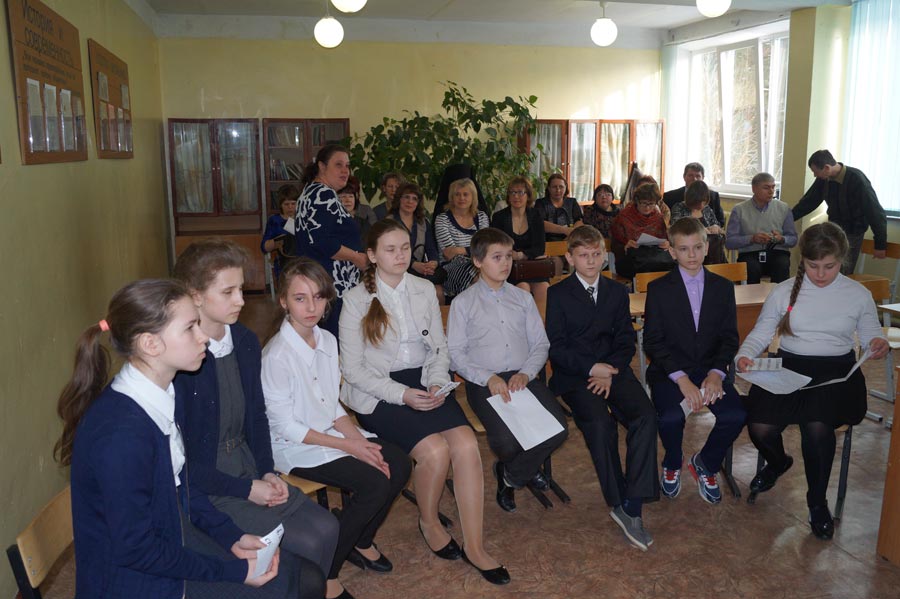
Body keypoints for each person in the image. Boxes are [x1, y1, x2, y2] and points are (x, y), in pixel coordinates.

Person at [57, 279, 308, 599]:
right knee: (279, 587)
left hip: (166, 538)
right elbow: (137, 550)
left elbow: (180, 487)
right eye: (190, 328)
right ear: (150, 344)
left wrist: (230, 535)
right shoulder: (121, 433)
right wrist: (232, 571)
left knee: (294, 574)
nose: (203, 337)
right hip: (135, 583)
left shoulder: (157, 395)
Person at [339, 220, 510, 585]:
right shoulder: (355, 301)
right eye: (390, 249)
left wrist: (435, 381)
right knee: (434, 451)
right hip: (379, 391)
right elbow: (352, 371)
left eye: (405, 248)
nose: (400, 255)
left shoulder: (424, 288)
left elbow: (439, 349)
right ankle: (429, 521)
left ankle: (475, 546)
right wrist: (401, 394)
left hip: (425, 380)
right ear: (372, 255)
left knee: (466, 444)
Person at [173, 240, 340, 597]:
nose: (241, 300)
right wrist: (247, 489)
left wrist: (266, 471)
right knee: (307, 547)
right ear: (195, 296)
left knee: (327, 528)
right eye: (228, 292)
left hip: (249, 467)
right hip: (209, 485)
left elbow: (256, 416)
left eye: (241, 289)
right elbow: (183, 466)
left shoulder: (245, 341)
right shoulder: (183, 360)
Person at [262, 257, 411, 599]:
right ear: (283, 301)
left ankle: (359, 538)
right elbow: (286, 426)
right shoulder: (276, 356)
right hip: (294, 445)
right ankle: (328, 570)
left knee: (399, 464)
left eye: (318, 297)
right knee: (374, 483)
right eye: (300, 298)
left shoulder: (327, 341)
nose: (311, 307)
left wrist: (361, 443)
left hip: (330, 434)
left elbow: (331, 407)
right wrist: (352, 447)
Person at [736, 222, 889, 540]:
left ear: (842, 260)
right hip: (790, 367)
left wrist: (877, 343)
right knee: (760, 425)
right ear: (802, 260)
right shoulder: (784, 291)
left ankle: (817, 502)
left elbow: (871, 334)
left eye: (829, 266)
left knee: (817, 426)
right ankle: (778, 463)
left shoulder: (857, 294)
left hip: (837, 373)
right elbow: (762, 331)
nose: (820, 274)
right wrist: (745, 355)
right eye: (813, 265)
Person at [545, 225, 659, 551]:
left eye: (596, 254)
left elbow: (625, 340)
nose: (591, 261)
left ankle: (633, 502)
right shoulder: (558, 294)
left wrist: (609, 370)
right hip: (576, 375)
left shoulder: (616, 292)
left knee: (645, 416)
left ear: (604, 256)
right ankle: (618, 498)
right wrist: (592, 368)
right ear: (570, 258)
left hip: (614, 370)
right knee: (600, 424)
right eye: (584, 255)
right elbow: (557, 347)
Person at [447, 227, 568, 513]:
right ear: (478, 261)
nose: (505, 263)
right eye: (497, 257)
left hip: (521, 376)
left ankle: (511, 475)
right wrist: (487, 377)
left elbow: (540, 344)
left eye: (508, 257)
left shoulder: (522, 298)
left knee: (558, 429)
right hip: (484, 381)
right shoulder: (463, 303)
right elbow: (455, 354)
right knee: (506, 441)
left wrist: (526, 372)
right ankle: (523, 467)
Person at [642, 218, 746, 504]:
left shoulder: (723, 287)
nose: (692, 255)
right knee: (671, 417)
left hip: (710, 370)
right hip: (670, 371)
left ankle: (706, 463)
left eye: (697, 247)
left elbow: (729, 338)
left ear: (707, 247)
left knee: (735, 415)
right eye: (684, 249)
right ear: (672, 251)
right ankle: (672, 461)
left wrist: (716, 373)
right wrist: (682, 379)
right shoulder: (659, 289)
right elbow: (653, 341)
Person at [293, 144, 368, 336]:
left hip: (320, 282)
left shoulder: (310, 192)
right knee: (334, 340)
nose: (345, 171)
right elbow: (324, 243)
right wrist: (356, 258)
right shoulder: (322, 194)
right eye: (338, 165)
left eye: (347, 166)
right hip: (332, 285)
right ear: (322, 166)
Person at [792, 149, 887, 273]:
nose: (815, 175)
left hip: (853, 232)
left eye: (815, 172)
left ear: (827, 168)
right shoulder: (824, 179)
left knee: (843, 271)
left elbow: (874, 211)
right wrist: (789, 218)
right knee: (825, 266)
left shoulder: (857, 179)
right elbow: (808, 202)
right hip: (833, 230)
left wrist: (880, 244)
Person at [725, 172, 798, 284]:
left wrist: (781, 239)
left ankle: (779, 295)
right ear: (754, 189)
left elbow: (793, 239)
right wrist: (751, 239)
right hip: (750, 254)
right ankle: (751, 295)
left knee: (782, 264)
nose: (771, 191)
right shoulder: (739, 210)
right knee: (751, 268)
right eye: (766, 188)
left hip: (776, 252)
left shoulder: (784, 208)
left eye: (773, 187)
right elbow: (730, 242)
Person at [490, 176, 549, 304]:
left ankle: (541, 318)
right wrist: (510, 254)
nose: (516, 196)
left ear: (528, 195)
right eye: (512, 192)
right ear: (508, 196)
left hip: (533, 266)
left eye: (521, 192)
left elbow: (540, 248)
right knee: (523, 288)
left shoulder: (536, 215)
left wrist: (521, 255)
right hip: (509, 267)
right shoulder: (499, 217)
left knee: (544, 288)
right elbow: (495, 246)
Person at [386, 182, 445, 303]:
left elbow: (431, 249)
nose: (410, 201)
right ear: (399, 199)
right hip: (397, 269)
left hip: (421, 270)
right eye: (406, 197)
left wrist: (432, 263)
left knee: (438, 291)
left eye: (414, 199)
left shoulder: (423, 222)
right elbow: (390, 252)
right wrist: (413, 264)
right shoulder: (389, 222)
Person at [434, 178, 491, 299]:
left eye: (466, 194)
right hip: (451, 268)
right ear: (452, 197)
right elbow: (449, 254)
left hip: (479, 264)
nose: (461, 198)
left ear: (473, 197)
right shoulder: (442, 219)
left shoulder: (481, 217)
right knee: (480, 278)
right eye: (457, 194)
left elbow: (485, 247)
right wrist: (473, 250)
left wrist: (460, 249)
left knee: (486, 274)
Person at [610, 183, 674, 279]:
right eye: (643, 203)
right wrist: (625, 246)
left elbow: (665, 238)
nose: (647, 207)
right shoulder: (624, 217)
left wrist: (667, 244)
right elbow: (614, 245)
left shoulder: (658, 217)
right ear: (636, 201)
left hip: (654, 259)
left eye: (651, 204)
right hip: (630, 260)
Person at [671, 180, 726, 264]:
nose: (701, 205)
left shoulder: (707, 209)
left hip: (710, 252)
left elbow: (722, 233)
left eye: (704, 201)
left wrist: (716, 228)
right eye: (698, 201)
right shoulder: (679, 208)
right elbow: (676, 230)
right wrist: (701, 231)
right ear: (691, 199)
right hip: (688, 250)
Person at [261, 184, 299, 281]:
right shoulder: (274, 220)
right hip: (284, 261)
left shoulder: (303, 218)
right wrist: (279, 241)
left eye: (293, 203)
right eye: (286, 204)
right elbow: (264, 247)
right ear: (280, 205)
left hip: (302, 259)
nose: (290, 207)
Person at [535, 173, 584, 241]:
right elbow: (540, 223)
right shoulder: (540, 203)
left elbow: (579, 221)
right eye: (554, 187)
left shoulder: (572, 202)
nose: (558, 190)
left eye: (561, 187)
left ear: (565, 187)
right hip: (547, 242)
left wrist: (571, 236)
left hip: (570, 240)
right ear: (549, 188)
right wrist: (565, 230)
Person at [338, 182, 373, 249]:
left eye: (351, 196)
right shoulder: (332, 222)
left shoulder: (364, 224)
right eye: (343, 196)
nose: (348, 200)